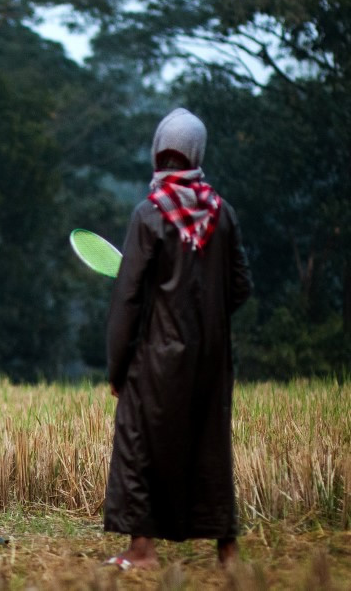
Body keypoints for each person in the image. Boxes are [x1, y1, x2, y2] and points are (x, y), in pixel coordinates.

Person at [102, 109, 252, 569]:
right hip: (211, 357)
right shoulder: (221, 213)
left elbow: (128, 298)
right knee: (210, 445)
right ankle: (227, 552)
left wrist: (116, 367)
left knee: (137, 441)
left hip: (157, 357)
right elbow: (241, 285)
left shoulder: (148, 216)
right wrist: (206, 318)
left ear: (157, 152)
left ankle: (141, 550)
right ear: (196, 155)